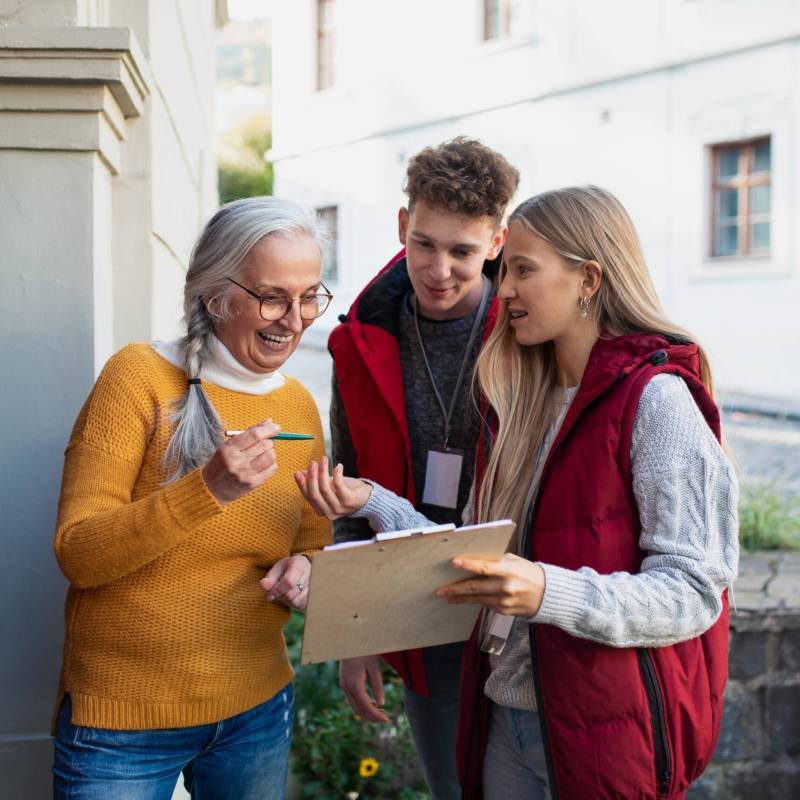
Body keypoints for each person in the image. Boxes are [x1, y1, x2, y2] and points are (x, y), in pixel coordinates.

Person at [297, 185, 739, 800]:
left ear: (588, 279)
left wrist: (543, 590)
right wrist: (371, 500)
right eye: (507, 272)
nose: (501, 290)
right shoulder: (519, 400)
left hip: (605, 733)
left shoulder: (659, 403)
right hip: (505, 719)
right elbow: (465, 551)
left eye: (522, 271)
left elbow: (694, 592)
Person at [51, 197, 333, 800]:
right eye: (273, 296)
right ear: (216, 297)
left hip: (256, 709)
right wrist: (206, 491)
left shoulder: (300, 406)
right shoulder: (138, 378)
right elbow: (78, 553)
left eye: (310, 295)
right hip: (123, 723)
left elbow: (312, 540)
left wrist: (306, 570)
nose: (296, 317)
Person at [327, 137, 519, 799]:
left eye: (462, 251)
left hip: (525, 608)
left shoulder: (530, 333)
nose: (440, 270)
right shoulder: (360, 340)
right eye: (425, 245)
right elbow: (347, 494)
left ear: (497, 241)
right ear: (403, 227)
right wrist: (359, 632)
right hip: (422, 606)